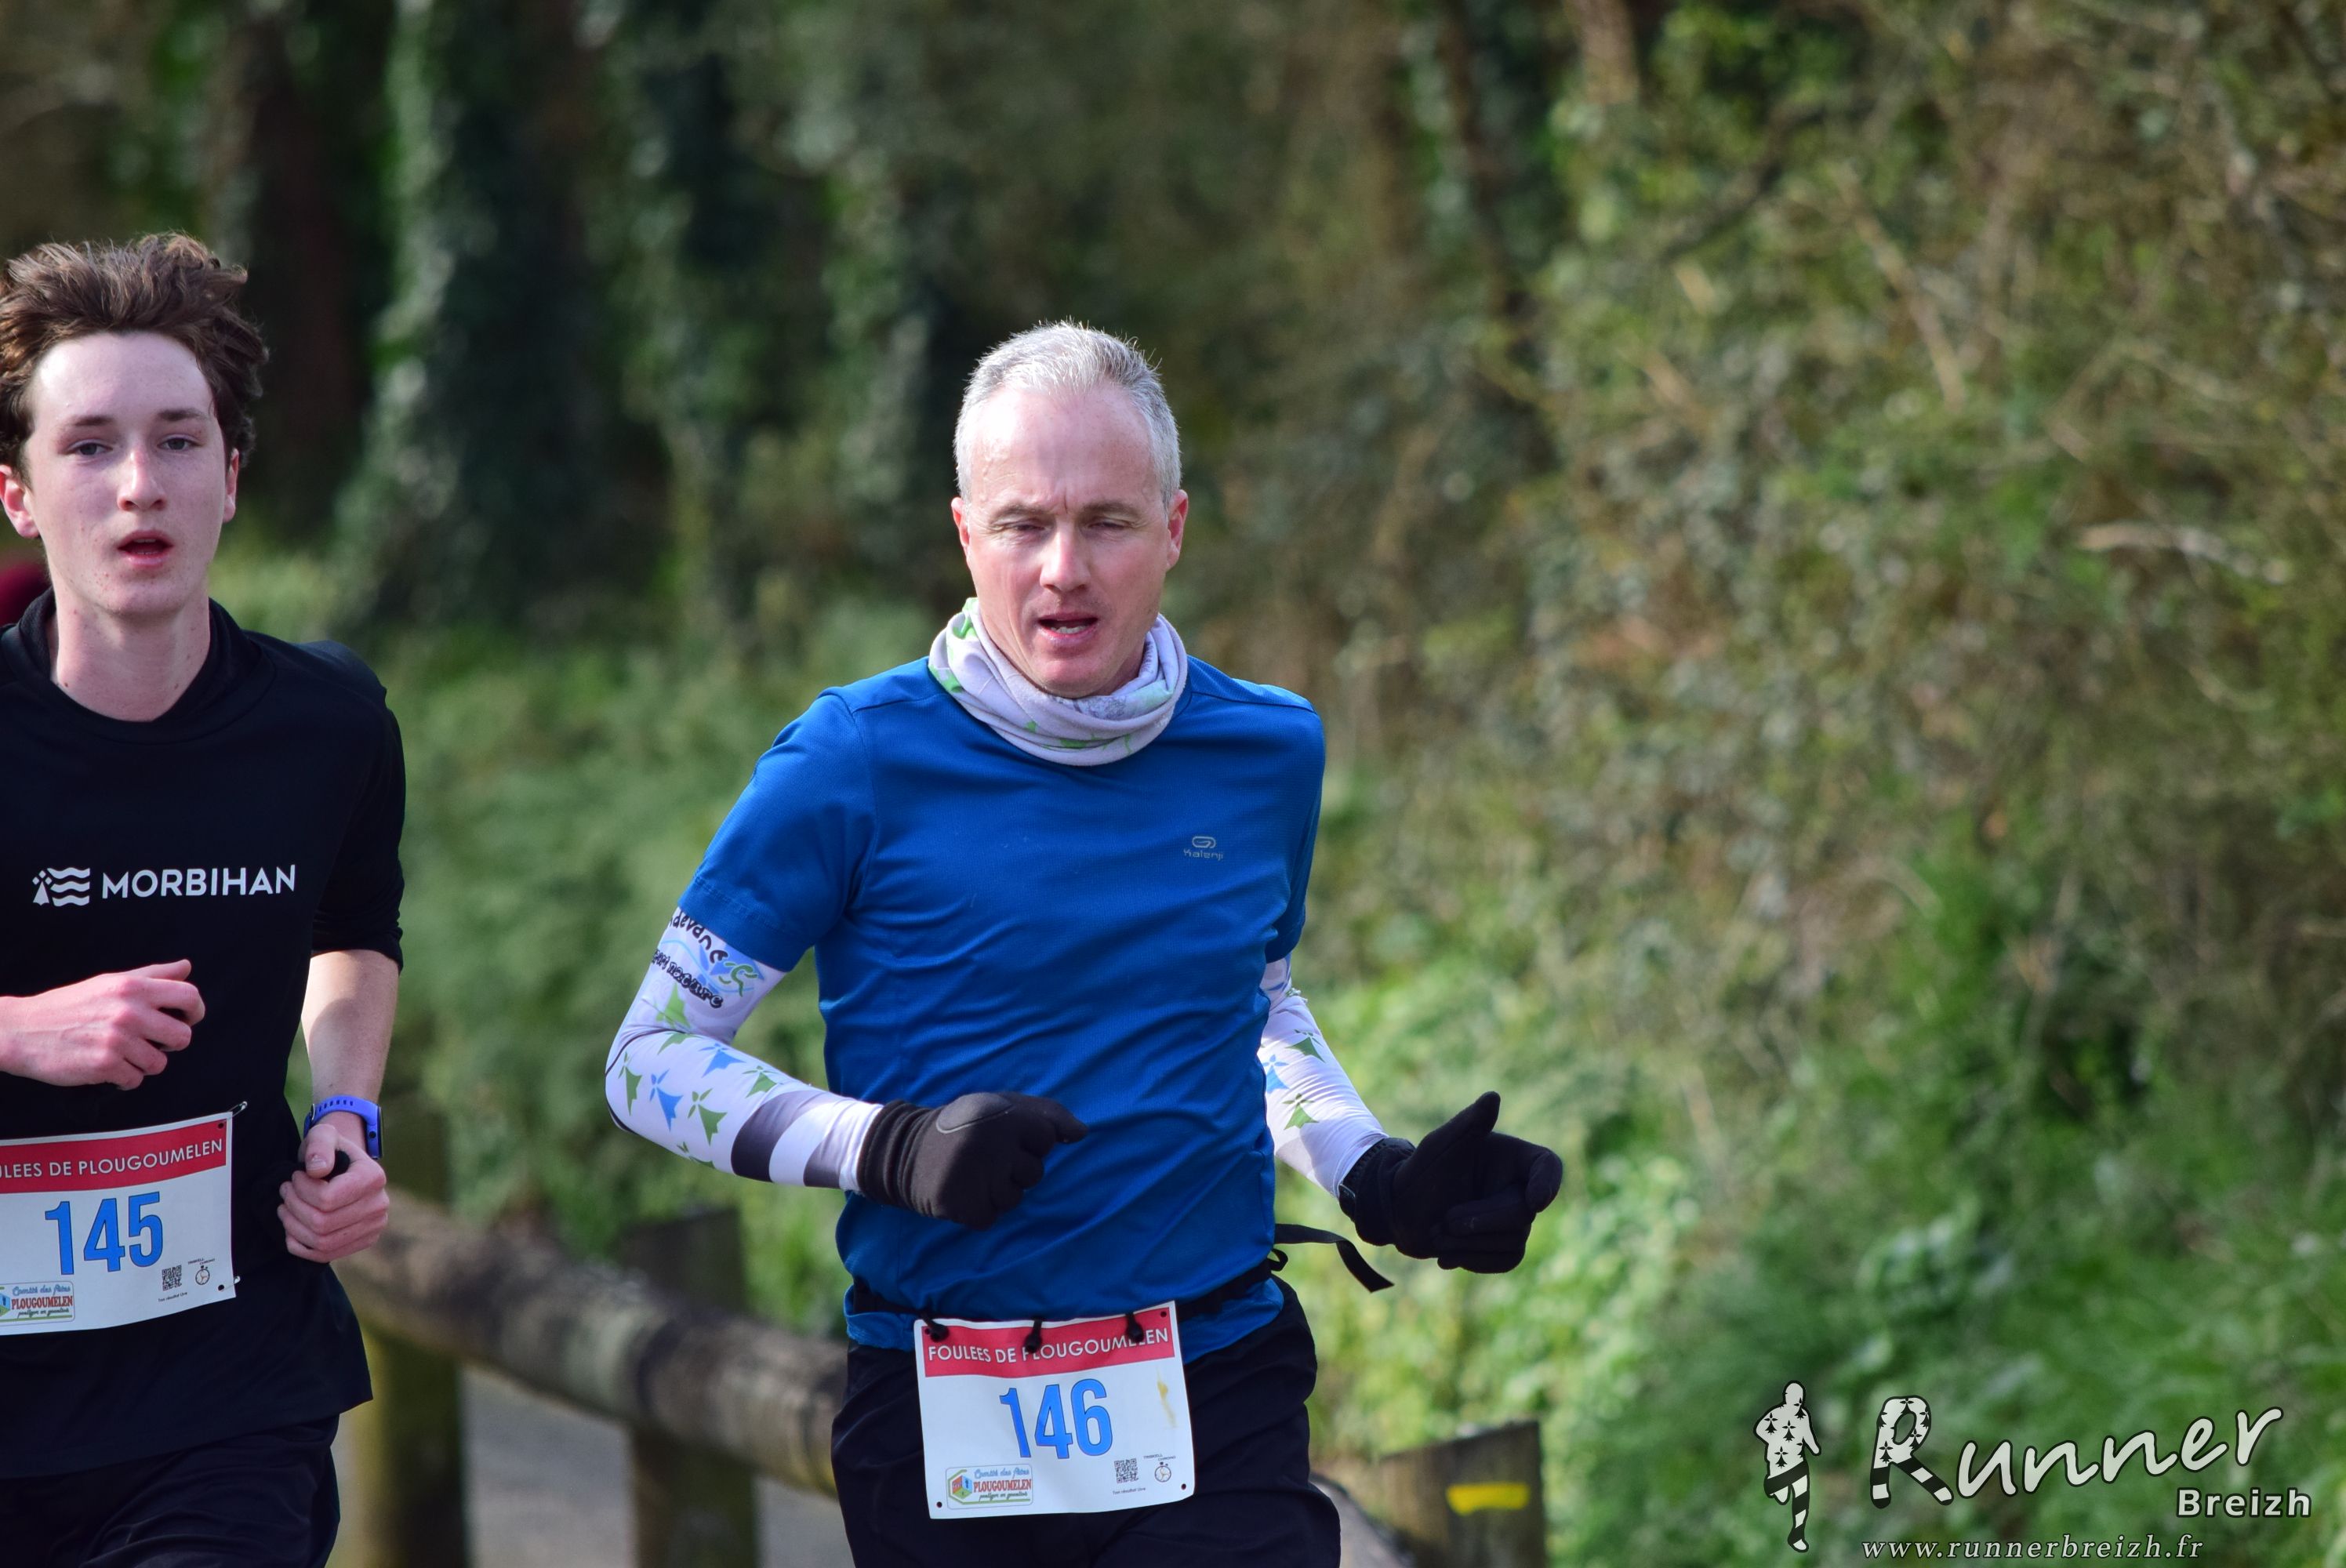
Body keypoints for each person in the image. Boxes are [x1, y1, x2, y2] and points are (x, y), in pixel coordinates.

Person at [605, 321, 1561, 1566]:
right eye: (1024, 525)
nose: (1064, 569)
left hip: (1217, 1386)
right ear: (965, 534)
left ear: (1173, 529)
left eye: (1107, 522)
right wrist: (889, 1147)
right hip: (947, 1406)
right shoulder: (849, 761)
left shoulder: (1267, 750)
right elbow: (649, 1059)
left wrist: (1370, 1172)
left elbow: (1256, 1005)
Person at [0, 234, 405, 1568]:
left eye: (179, 441)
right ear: (17, 494)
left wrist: (346, 1114)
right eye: (90, 446)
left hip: (227, 1392)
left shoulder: (328, 726)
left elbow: (353, 929)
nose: (140, 485)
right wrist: (18, 1030)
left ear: (230, 478)